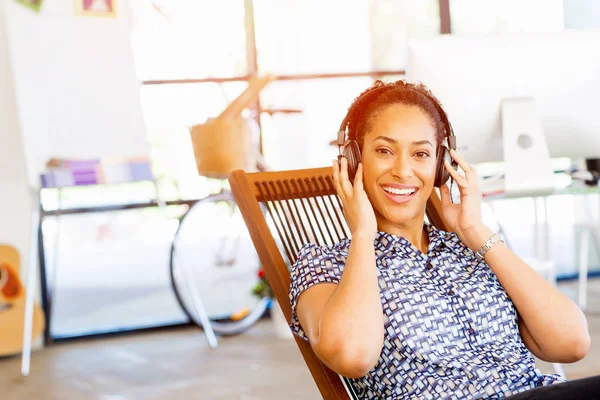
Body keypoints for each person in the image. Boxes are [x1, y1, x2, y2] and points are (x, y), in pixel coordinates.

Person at [288, 80, 596, 399]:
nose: (403, 170)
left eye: (421, 153)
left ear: (440, 167)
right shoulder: (325, 265)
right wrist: (363, 236)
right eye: (384, 150)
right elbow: (352, 356)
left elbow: (572, 343)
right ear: (354, 160)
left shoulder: (469, 248)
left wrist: (475, 231)